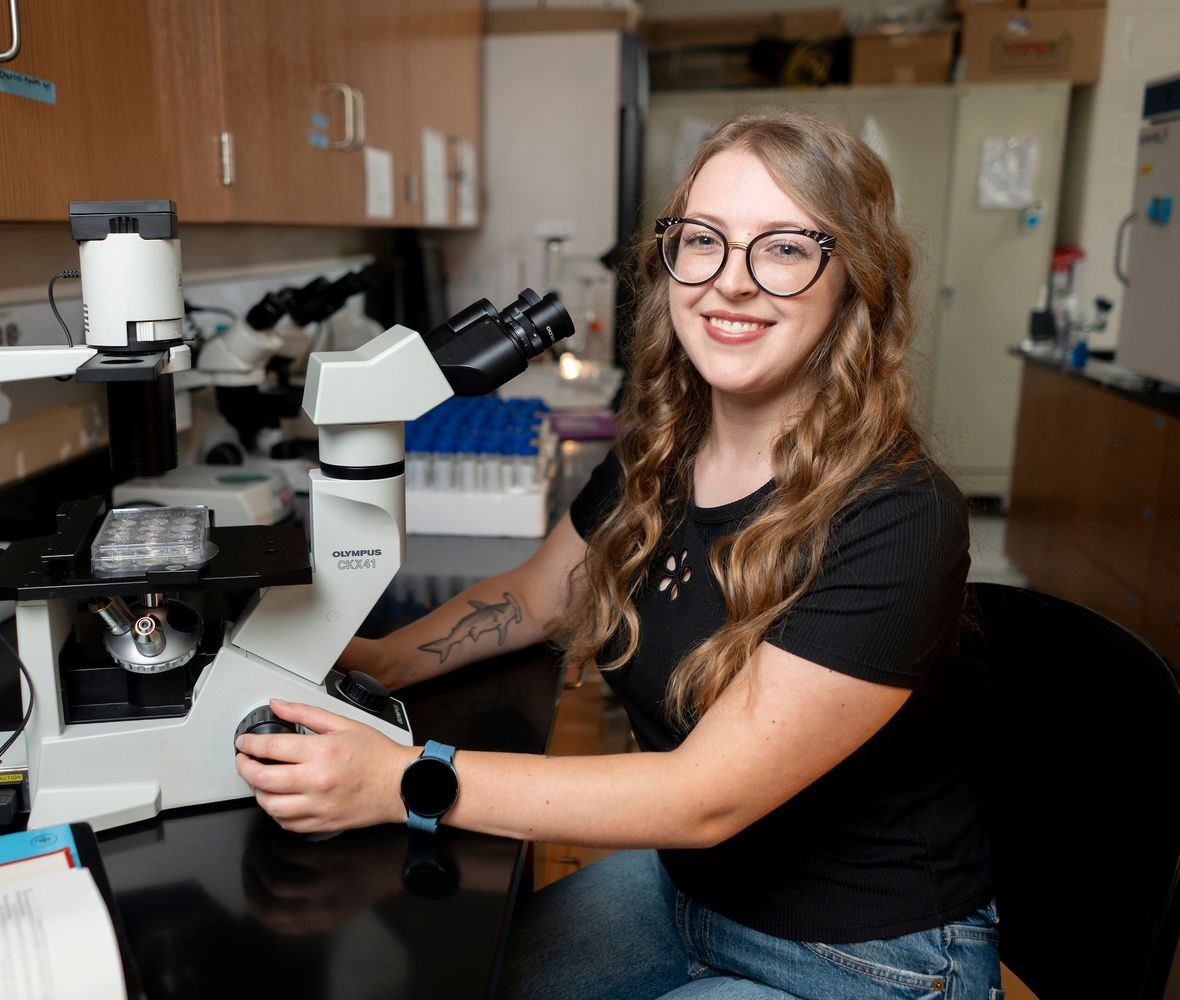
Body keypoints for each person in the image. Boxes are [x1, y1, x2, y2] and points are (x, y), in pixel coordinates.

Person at [234, 109, 998, 1000]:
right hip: (687, 892)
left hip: (862, 953)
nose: (731, 284)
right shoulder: (662, 451)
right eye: (703, 241)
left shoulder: (898, 514)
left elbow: (702, 799)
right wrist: (374, 664)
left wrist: (400, 780)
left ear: (853, 278)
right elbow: (538, 596)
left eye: (785, 249)